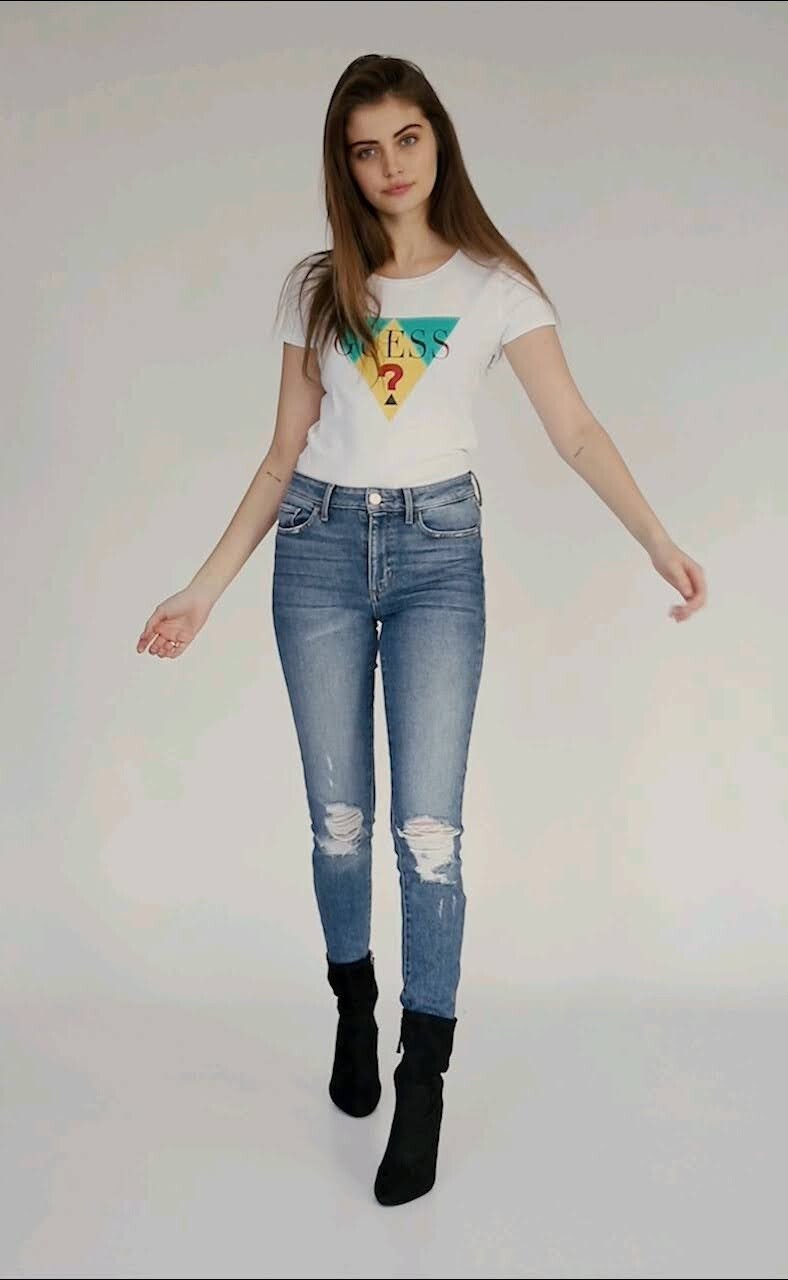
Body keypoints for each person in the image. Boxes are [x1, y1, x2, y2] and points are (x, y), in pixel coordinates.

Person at [135, 54, 707, 1207]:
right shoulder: (317, 287)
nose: (389, 165)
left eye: (405, 138)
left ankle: (423, 1072)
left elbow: (574, 428)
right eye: (364, 149)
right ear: (343, 166)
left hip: (439, 557)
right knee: (339, 821)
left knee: (428, 833)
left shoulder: (496, 286)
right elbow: (280, 454)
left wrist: (654, 536)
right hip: (317, 553)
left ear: (437, 138)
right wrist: (201, 586)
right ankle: (353, 1002)